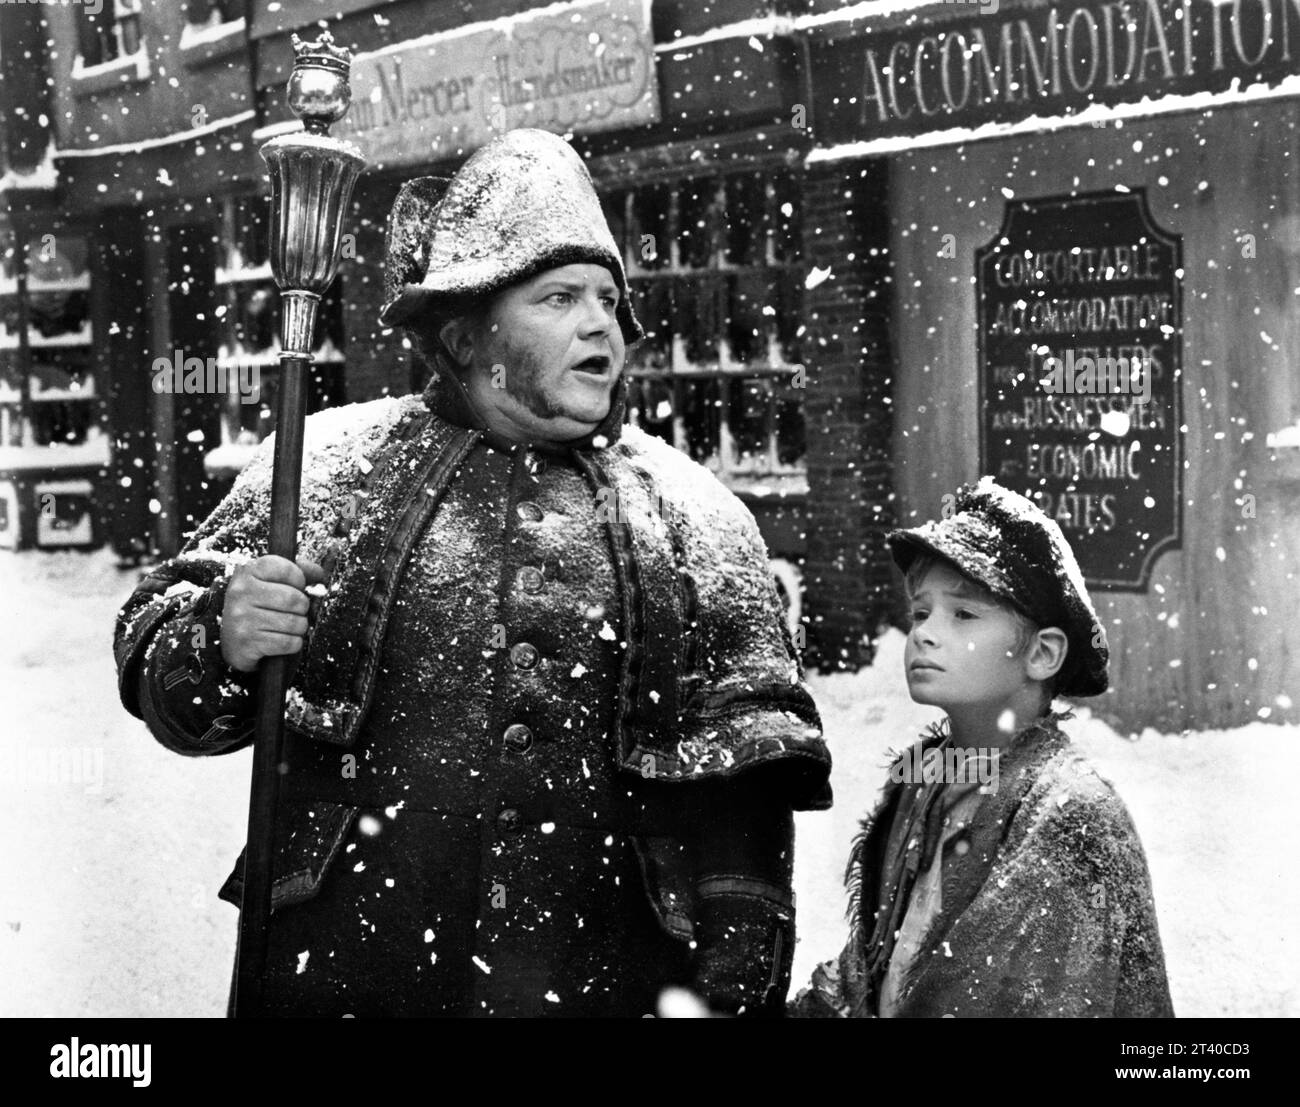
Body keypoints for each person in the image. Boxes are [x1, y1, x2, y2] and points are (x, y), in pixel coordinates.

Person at [113, 129, 831, 1017]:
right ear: (464, 334)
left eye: (608, 297)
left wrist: (739, 956)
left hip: (606, 980)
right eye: (559, 297)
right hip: (355, 969)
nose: (599, 321)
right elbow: (160, 673)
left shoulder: (695, 513)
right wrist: (219, 635)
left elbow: (750, 776)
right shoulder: (327, 472)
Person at [792, 477, 1173, 1017]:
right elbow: (875, 970)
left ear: (1041, 653)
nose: (924, 634)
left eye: (963, 615)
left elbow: (993, 1000)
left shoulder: (1071, 815)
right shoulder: (924, 785)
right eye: (920, 613)